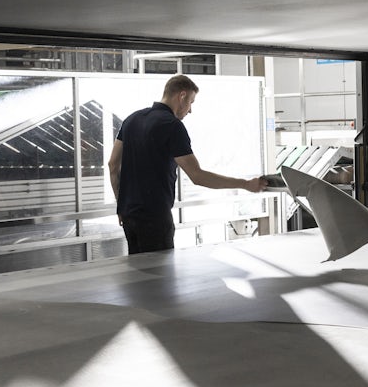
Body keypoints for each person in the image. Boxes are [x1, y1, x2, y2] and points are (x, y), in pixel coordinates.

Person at [108, 74, 266, 254]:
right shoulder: (172, 126)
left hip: (129, 215)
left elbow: (113, 165)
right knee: (160, 277)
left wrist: (121, 205)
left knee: (139, 276)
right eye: (191, 102)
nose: (190, 110)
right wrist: (245, 184)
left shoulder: (131, 120)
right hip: (155, 217)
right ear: (181, 96)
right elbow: (197, 176)